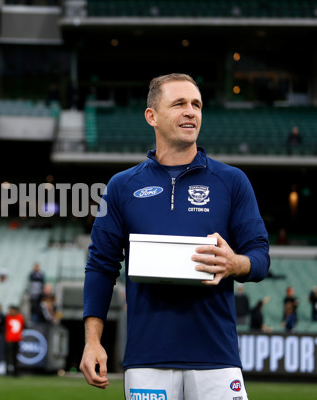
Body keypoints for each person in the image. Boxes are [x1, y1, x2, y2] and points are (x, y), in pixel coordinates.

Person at [80, 73, 270, 399]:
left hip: (217, 358)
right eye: (179, 103)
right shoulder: (121, 186)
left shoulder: (232, 181)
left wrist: (235, 263)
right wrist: (92, 341)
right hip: (147, 359)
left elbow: (260, 257)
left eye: (196, 104)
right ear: (152, 116)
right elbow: (100, 266)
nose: (190, 112)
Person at [5, 305, 25, 377]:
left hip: (17, 339)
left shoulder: (20, 317)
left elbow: (23, 326)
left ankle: (15, 372)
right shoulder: (7, 317)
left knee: (15, 357)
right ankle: (7, 372)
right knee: (8, 357)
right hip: (9, 339)